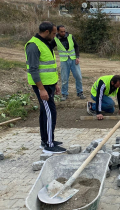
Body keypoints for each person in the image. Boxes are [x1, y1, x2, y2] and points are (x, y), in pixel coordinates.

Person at [25, 22, 66, 153]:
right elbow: (33, 69)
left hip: (49, 84)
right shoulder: (33, 46)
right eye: (54, 33)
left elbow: (48, 67)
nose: (55, 36)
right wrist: (41, 89)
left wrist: (55, 84)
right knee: (50, 113)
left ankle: (46, 140)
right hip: (42, 86)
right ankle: (49, 144)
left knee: (45, 112)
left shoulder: (45, 43)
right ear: (47, 32)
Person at [51, 25, 86, 101]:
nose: (63, 33)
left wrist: (77, 57)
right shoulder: (55, 39)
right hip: (64, 61)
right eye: (61, 31)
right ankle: (64, 94)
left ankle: (80, 92)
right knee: (64, 79)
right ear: (57, 31)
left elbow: (76, 46)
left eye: (64, 31)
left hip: (73, 59)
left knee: (78, 77)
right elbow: (50, 48)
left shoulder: (70, 36)